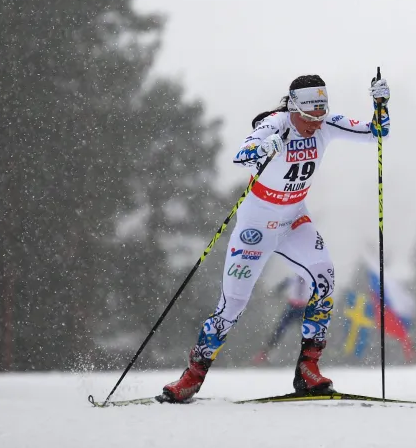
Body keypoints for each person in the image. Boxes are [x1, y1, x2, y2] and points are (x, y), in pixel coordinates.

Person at [160, 73, 390, 402]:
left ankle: (308, 371)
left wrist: (381, 105)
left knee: (324, 276)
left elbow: (377, 133)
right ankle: (192, 376)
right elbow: (242, 154)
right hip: (256, 228)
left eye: (320, 114)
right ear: (294, 107)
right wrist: (263, 147)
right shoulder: (276, 123)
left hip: (295, 219)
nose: (315, 123)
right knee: (232, 305)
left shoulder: (325, 123)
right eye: (309, 115)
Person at [251, 275, 313, 365]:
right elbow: (279, 288)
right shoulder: (292, 279)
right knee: (279, 330)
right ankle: (265, 351)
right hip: (292, 307)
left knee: (307, 333)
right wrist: (273, 293)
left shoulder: (310, 280)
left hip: (303, 308)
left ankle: (310, 356)